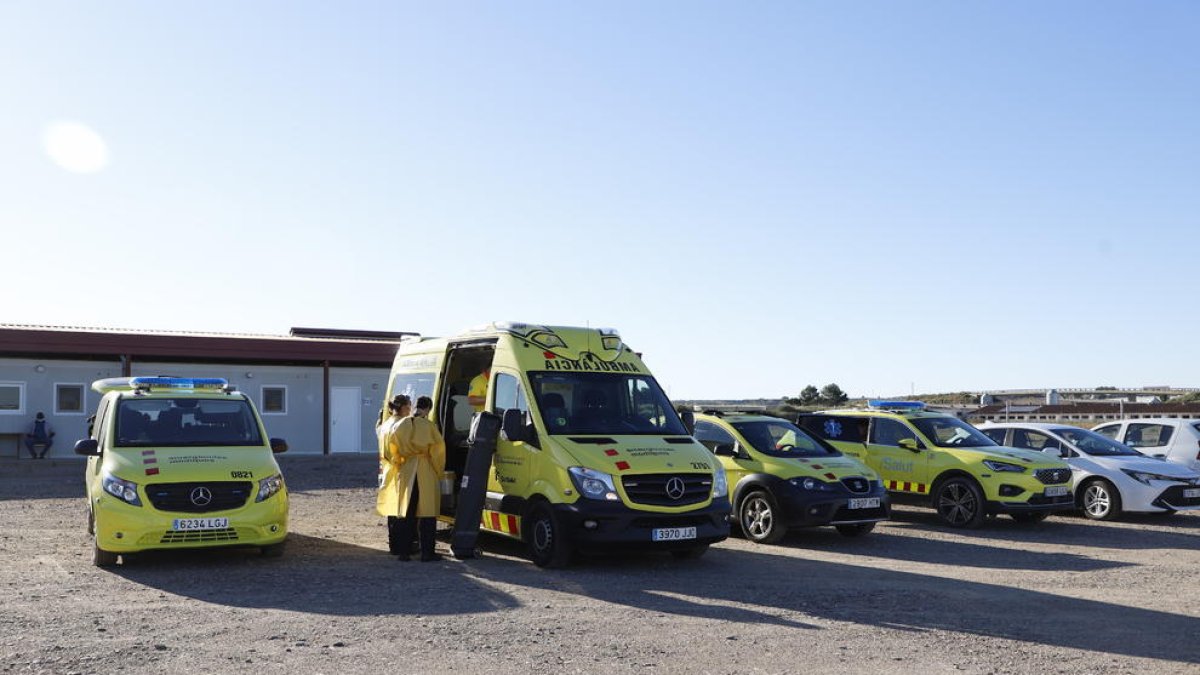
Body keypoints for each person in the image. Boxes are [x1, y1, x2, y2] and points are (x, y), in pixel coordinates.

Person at [389, 396, 447, 561]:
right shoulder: (429, 426)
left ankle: (404, 552)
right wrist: (439, 471)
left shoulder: (400, 425)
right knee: (428, 513)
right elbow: (438, 451)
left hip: (408, 469)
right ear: (428, 408)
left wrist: (401, 463)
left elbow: (393, 449)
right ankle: (427, 552)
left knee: (407, 512)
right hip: (425, 469)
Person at [376, 395, 411, 555]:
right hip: (401, 469)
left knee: (391, 510)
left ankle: (393, 545)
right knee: (402, 511)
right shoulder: (402, 424)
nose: (410, 410)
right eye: (409, 406)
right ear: (404, 408)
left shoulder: (385, 424)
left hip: (388, 468)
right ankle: (404, 547)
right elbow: (406, 448)